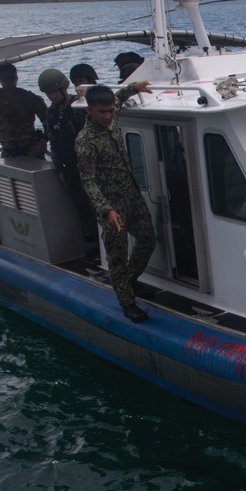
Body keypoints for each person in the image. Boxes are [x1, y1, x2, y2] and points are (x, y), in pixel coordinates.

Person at [76, 82, 156, 322]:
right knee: (117, 255)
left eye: (111, 111)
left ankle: (128, 282)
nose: (109, 116)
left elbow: (119, 97)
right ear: (89, 110)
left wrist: (134, 86)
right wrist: (106, 209)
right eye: (102, 112)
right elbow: (88, 181)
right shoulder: (85, 141)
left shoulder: (111, 117)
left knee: (147, 240)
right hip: (112, 206)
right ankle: (127, 301)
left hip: (131, 196)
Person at [38, 68, 97, 256]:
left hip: (87, 163)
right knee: (80, 203)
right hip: (69, 164)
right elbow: (54, 141)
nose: (53, 96)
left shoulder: (77, 105)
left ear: (64, 89)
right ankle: (92, 238)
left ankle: (101, 239)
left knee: (95, 201)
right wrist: (58, 169)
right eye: (50, 93)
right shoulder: (51, 113)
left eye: (56, 91)